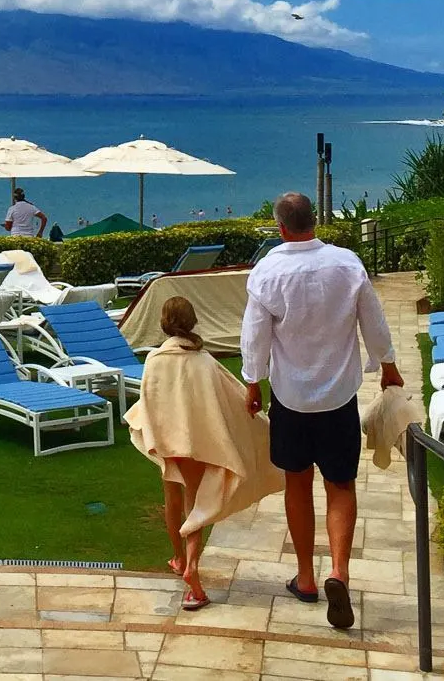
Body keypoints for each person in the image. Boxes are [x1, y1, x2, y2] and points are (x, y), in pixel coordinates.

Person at [241, 191, 403, 631]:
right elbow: (374, 319)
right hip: (338, 397)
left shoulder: (268, 271)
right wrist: (388, 367)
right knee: (340, 484)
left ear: (280, 227)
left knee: (297, 483)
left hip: (291, 399)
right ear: (315, 221)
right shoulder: (347, 264)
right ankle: (339, 572)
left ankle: (307, 578)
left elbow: (254, 337)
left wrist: (253, 382)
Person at [126, 296, 284, 612]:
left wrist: (155, 435)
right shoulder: (204, 362)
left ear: (164, 323)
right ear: (193, 322)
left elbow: (148, 401)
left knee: (173, 500)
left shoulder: (154, 360)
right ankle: (192, 567)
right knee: (195, 506)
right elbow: (233, 396)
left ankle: (179, 558)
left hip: (167, 442)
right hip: (196, 444)